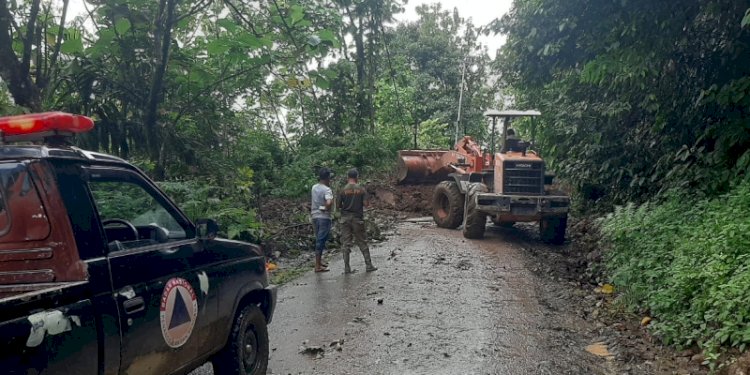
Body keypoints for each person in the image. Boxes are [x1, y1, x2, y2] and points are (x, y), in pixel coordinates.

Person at [338, 168, 377, 274]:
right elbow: (366, 204)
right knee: (362, 241)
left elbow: (338, 206)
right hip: (357, 219)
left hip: (345, 219)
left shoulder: (342, 190)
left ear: (347, 178)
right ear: (357, 177)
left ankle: (347, 268)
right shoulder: (361, 189)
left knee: (346, 244)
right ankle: (369, 265)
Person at [311, 168, 334, 272]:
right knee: (321, 240)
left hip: (314, 216)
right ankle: (317, 266)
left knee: (318, 239)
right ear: (327, 177)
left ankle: (319, 262)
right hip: (324, 217)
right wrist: (325, 208)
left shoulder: (314, 187)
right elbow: (329, 202)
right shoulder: (327, 190)